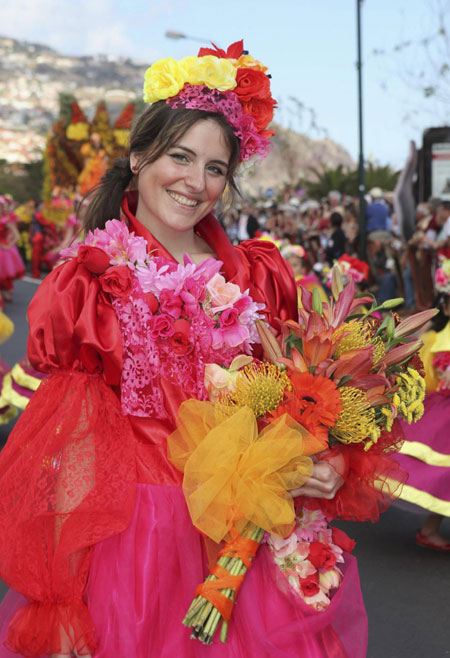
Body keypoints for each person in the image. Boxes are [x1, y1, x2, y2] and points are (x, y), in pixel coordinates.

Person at [0, 42, 369, 658]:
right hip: (137, 542)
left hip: (245, 542)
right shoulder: (92, 283)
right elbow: (71, 444)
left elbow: (298, 395)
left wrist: (325, 461)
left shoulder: (260, 276)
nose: (196, 183)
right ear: (139, 155)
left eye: (216, 168)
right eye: (180, 156)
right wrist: (61, 596)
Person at [394, 261, 450, 550]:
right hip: (443, 411)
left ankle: (430, 529)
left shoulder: (436, 331)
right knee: (441, 472)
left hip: (438, 408)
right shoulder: (442, 337)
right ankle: (429, 530)